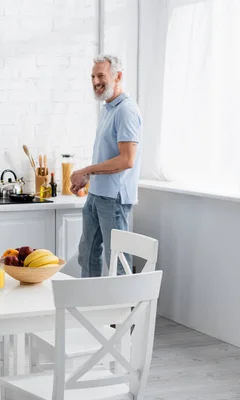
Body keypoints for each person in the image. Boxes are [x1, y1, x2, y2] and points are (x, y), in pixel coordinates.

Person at [70, 54, 142, 278]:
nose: (95, 81)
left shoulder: (126, 111)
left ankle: (128, 312)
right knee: (87, 254)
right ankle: (88, 308)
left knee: (118, 261)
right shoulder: (108, 108)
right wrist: (88, 178)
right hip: (97, 194)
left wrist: (87, 170)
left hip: (114, 200)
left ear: (117, 76)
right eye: (92, 76)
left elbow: (126, 160)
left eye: (100, 75)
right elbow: (108, 155)